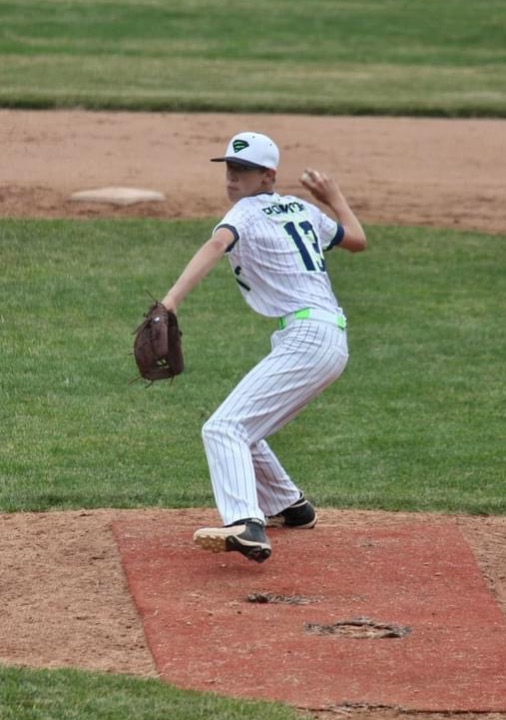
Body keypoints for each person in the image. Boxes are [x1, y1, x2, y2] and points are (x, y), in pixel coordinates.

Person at [162, 131, 366, 563]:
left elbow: (216, 244)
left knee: (224, 429)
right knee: (245, 426)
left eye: (244, 170)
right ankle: (291, 507)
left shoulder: (246, 213)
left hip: (309, 338)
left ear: (268, 176)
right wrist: (334, 198)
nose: (232, 178)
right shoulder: (303, 208)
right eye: (230, 169)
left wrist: (171, 301)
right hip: (326, 338)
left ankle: (246, 523)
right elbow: (356, 239)